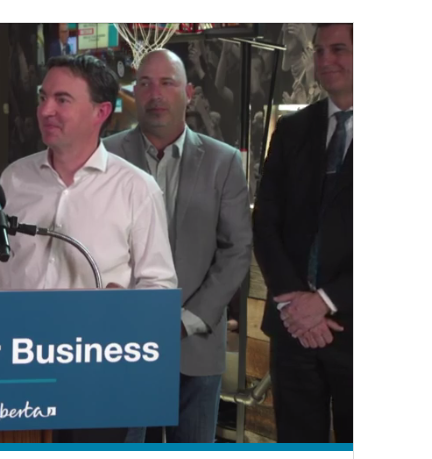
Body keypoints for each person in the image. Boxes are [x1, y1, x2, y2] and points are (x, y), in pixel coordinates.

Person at [0, 54, 177, 443]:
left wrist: (127, 309)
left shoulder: (135, 189)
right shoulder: (13, 180)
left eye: (62, 100)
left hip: (97, 376)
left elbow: (159, 288)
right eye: (43, 97)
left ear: (101, 111)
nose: (46, 110)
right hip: (19, 369)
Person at [104, 49, 252, 443]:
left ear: (188, 92)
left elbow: (237, 250)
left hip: (197, 343)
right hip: (123, 343)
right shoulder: (105, 156)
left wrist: (187, 321)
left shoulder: (223, 162)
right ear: (134, 92)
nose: (155, 93)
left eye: (167, 83)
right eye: (145, 83)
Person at [253, 23, 353, 443]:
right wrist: (295, 302)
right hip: (293, 327)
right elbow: (265, 223)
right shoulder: (293, 130)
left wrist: (327, 301)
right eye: (319, 50)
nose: (325, 61)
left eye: (339, 49)